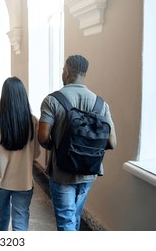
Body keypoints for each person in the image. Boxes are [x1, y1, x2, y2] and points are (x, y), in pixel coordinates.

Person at [38, 55, 117, 231]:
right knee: (74, 217)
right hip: (89, 171)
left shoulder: (52, 100)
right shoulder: (101, 104)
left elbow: (42, 137)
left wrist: (58, 147)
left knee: (66, 221)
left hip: (62, 171)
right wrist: (87, 149)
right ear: (84, 74)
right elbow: (112, 142)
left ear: (66, 72)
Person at [0, 76, 40, 231]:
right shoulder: (32, 121)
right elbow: (35, 153)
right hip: (23, 182)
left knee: (2, 218)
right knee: (21, 221)